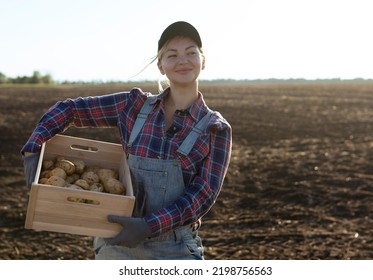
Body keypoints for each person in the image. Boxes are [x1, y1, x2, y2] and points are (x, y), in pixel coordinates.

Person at [22, 21, 232, 260]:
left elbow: (202, 195)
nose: (182, 60)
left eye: (191, 52)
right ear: (161, 66)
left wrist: (148, 226)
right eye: (172, 55)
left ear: (203, 61)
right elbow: (69, 109)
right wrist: (33, 148)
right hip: (116, 244)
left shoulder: (216, 129)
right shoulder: (133, 106)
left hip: (174, 250)